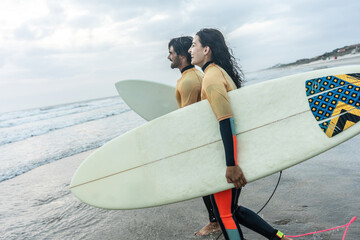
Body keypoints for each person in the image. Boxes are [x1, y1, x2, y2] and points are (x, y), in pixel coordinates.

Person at [188, 28, 293, 240]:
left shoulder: (211, 77)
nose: (190, 50)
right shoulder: (219, 72)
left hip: (228, 155)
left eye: (194, 44)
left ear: (206, 49)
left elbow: (226, 121)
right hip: (232, 151)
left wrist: (231, 164)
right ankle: (279, 238)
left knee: (224, 214)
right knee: (232, 209)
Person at [168, 36, 221, 236]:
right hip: (203, 139)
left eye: (171, 52)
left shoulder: (190, 81)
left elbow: (190, 118)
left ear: (182, 55)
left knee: (203, 182)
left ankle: (215, 221)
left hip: (199, 140)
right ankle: (216, 218)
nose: (168, 56)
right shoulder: (189, 77)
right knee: (204, 182)